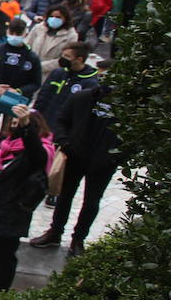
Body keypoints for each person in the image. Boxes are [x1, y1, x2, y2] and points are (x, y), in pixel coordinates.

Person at [0, 104, 54, 295]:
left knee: (4, 256)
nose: (15, 127)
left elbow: (36, 155)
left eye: (19, 123)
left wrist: (26, 126)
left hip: (13, 210)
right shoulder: (5, 146)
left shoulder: (37, 151)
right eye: (13, 123)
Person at [31, 79, 122, 256]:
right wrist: (64, 142)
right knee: (64, 196)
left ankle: (78, 238)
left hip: (103, 162)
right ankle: (55, 232)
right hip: (75, 156)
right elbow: (62, 120)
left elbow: (132, 137)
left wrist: (116, 157)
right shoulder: (82, 98)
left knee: (92, 201)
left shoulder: (126, 107)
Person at [0, 19, 43, 162]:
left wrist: (19, 91)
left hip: (15, 99)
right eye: (12, 33)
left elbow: (36, 83)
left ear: (25, 34)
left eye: (19, 33)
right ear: (7, 32)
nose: (15, 36)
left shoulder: (32, 57)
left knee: (7, 133)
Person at [31, 41, 100, 138]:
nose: (63, 58)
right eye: (62, 55)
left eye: (67, 56)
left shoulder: (90, 83)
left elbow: (81, 113)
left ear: (79, 59)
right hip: (41, 125)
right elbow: (43, 97)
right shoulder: (57, 73)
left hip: (61, 132)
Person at [25, 5, 77, 75]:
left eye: (58, 17)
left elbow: (64, 59)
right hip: (29, 69)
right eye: (51, 16)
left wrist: (40, 66)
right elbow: (27, 45)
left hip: (51, 73)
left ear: (65, 19)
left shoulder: (71, 35)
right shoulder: (38, 28)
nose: (54, 19)